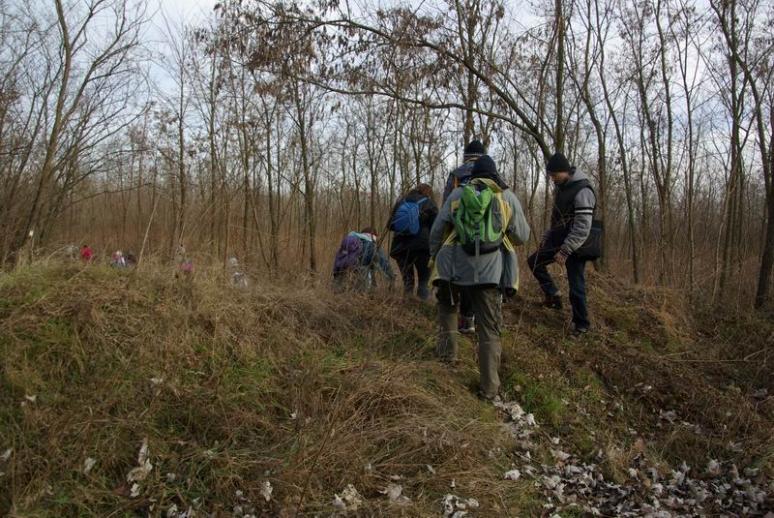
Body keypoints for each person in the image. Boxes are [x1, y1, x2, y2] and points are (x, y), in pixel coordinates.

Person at [430, 154, 530, 401]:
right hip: (490, 272)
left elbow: (437, 231)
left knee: (448, 309)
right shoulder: (505, 197)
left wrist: (435, 255)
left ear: (472, 175)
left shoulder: (456, 196)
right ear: (495, 174)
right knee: (489, 327)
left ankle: (447, 360)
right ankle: (489, 388)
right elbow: (523, 236)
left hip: (453, 268)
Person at [527, 152, 597, 335]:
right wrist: (547, 237)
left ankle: (582, 325)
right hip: (558, 241)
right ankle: (553, 295)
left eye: (554, 175)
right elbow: (558, 219)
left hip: (576, 247)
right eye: (550, 176)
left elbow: (583, 227)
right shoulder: (562, 188)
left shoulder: (583, 190)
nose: (552, 179)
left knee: (576, 286)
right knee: (534, 262)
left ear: (563, 171)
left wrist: (565, 251)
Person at [442, 140, 486, 333]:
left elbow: (446, 205)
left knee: (463, 276)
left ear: (466, 156)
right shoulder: (491, 174)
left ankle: (465, 319)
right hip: (487, 236)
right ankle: (484, 319)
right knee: (485, 276)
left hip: (460, 233)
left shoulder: (456, 175)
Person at [389, 183, 438, 300]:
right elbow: (436, 228)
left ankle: (406, 309)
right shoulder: (429, 203)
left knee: (408, 281)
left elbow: (390, 226)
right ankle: (421, 311)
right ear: (428, 192)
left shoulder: (400, 202)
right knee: (423, 281)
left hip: (400, 248)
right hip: (422, 248)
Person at [333, 227, 395, 292]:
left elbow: (338, 261)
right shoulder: (371, 244)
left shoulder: (349, 241)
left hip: (341, 280)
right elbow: (383, 261)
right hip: (360, 282)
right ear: (373, 235)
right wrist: (391, 276)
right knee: (370, 265)